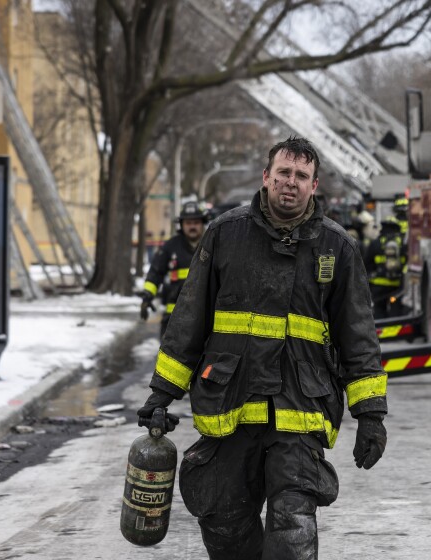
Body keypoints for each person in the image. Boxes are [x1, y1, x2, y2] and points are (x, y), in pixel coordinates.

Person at [137, 136, 387, 559]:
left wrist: (371, 414)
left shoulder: (337, 247)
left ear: (315, 185)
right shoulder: (225, 234)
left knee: (292, 527)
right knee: (225, 525)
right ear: (267, 176)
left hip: (301, 410)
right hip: (229, 404)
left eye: (301, 176)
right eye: (284, 173)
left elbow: (357, 336)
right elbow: (189, 319)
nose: (291, 182)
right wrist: (162, 393)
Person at [139, 201, 208, 337]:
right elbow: (155, 272)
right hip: (174, 316)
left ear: (202, 223)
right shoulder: (170, 247)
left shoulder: (212, 244)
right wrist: (147, 295)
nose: (192, 226)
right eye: (188, 223)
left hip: (205, 317)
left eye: (196, 222)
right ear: (181, 225)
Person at [364, 216, 406, 318]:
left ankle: (382, 331)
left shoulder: (375, 243)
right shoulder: (403, 244)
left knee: (379, 309)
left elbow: (366, 265)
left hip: (378, 287)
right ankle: (395, 330)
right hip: (397, 286)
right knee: (396, 310)